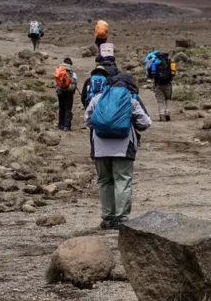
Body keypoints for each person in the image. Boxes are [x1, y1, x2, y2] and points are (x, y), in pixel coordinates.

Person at [84, 72, 152, 229]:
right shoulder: (130, 99)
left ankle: (108, 218)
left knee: (104, 181)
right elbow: (146, 122)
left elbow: (87, 120)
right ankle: (121, 218)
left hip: (100, 147)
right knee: (122, 180)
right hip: (124, 147)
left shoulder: (97, 99)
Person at [80, 45, 119, 110]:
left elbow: (83, 96)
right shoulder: (112, 74)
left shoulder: (89, 80)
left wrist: (86, 106)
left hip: (92, 106)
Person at [146, 51, 176, 121]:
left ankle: (161, 115)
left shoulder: (155, 63)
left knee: (160, 100)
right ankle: (167, 112)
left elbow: (150, 75)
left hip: (158, 84)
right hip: (168, 84)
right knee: (168, 98)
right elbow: (173, 74)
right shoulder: (169, 62)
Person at [53, 58, 78, 131]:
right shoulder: (72, 73)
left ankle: (61, 125)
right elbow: (75, 83)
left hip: (60, 92)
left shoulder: (59, 71)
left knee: (61, 108)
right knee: (68, 108)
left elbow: (56, 83)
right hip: (69, 92)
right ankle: (67, 126)